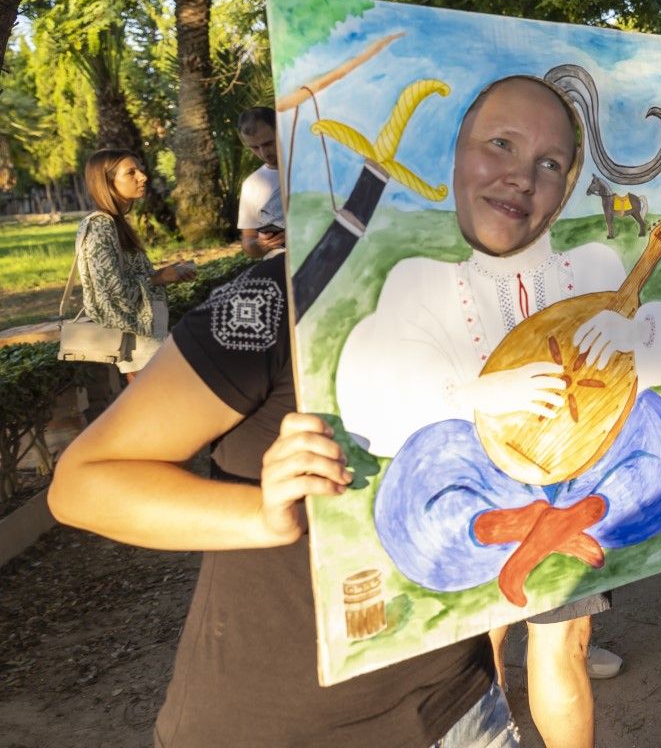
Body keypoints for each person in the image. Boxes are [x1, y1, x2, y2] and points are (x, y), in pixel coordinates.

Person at [335, 74, 661, 748]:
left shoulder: (594, 265)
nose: (519, 177)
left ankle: (560, 519)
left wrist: (643, 336)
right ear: (456, 157)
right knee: (471, 647)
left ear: (566, 189)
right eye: (499, 145)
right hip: (488, 487)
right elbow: (364, 398)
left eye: (549, 163)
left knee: (659, 434)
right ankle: (520, 528)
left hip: (580, 476)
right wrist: (474, 394)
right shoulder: (421, 281)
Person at [47, 261, 515, 746]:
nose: (521, 182)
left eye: (549, 177)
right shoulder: (273, 302)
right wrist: (261, 516)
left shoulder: (502, 288)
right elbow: (81, 485)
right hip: (273, 726)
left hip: (459, 709)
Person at [75, 149, 196, 377]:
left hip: (147, 333)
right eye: (131, 172)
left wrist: (168, 273)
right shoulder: (100, 227)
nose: (143, 176)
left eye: (140, 169)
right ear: (107, 182)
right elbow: (110, 293)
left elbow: (125, 278)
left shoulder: (115, 223)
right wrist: (159, 277)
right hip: (137, 340)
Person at [237, 107, 287, 259]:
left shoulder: (314, 165)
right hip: (279, 265)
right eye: (254, 147)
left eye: (268, 144)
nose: (264, 153)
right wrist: (259, 245)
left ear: (282, 131)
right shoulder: (251, 185)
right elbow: (248, 241)